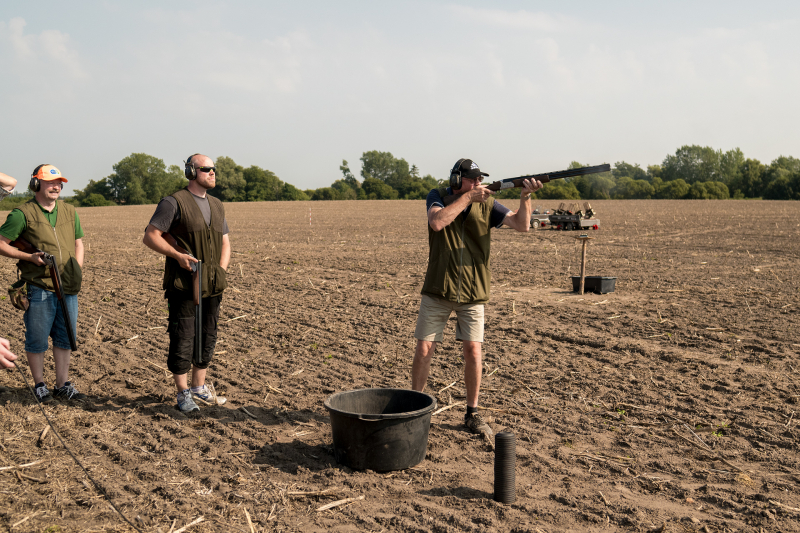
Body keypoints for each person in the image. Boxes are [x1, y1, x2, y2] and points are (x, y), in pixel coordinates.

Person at [411, 158, 542, 436]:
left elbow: (522, 225)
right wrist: (468, 197)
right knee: (424, 349)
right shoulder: (437, 196)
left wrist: (525, 196)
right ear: (457, 181)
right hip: (438, 288)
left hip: (473, 291)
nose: (479, 184)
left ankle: (472, 413)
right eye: (473, 180)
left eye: (480, 180)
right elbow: (437, 222)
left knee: (473, 351)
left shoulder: (488, 204)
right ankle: (415, 411)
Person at [143, 154, 231, 413]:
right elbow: (150, 236)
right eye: (206, 169)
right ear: (191, 172)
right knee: (183, 336)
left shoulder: (217, 205)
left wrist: (220, 271)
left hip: (212, 285)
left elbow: (225, 242)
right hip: (184, 284)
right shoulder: (173, 202)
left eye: (214, 168)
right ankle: (183, 393)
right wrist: (177, 256)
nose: (212, 172)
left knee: (208, 335)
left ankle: (198, 388)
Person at [0, 165, 85, 403]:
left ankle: (62, 385)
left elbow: (78, 243)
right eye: (50, 182)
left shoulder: (69, 210)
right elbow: (1, 243)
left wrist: (77, 269)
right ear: (36, 184)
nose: (56, 187)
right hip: (39, 286)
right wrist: (28, 257)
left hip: (68, 286)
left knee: (65, 337)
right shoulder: (22, 214)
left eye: (59, 183)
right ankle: (39, 385)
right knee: (37, 339)